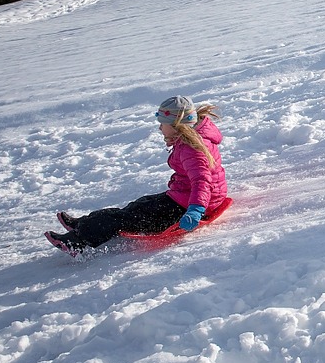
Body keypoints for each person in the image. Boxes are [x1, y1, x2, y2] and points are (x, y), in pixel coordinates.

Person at [45, 96, 229, 254]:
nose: (160, 129)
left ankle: (78, 241)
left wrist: (196, 210)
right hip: (183, 196)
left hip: (190, 205)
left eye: (162, 125)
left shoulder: (192, 149)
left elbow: (202, 181)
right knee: (137, 206)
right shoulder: (191, 139)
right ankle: (83, 224)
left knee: (127, 219)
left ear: (176, 126)